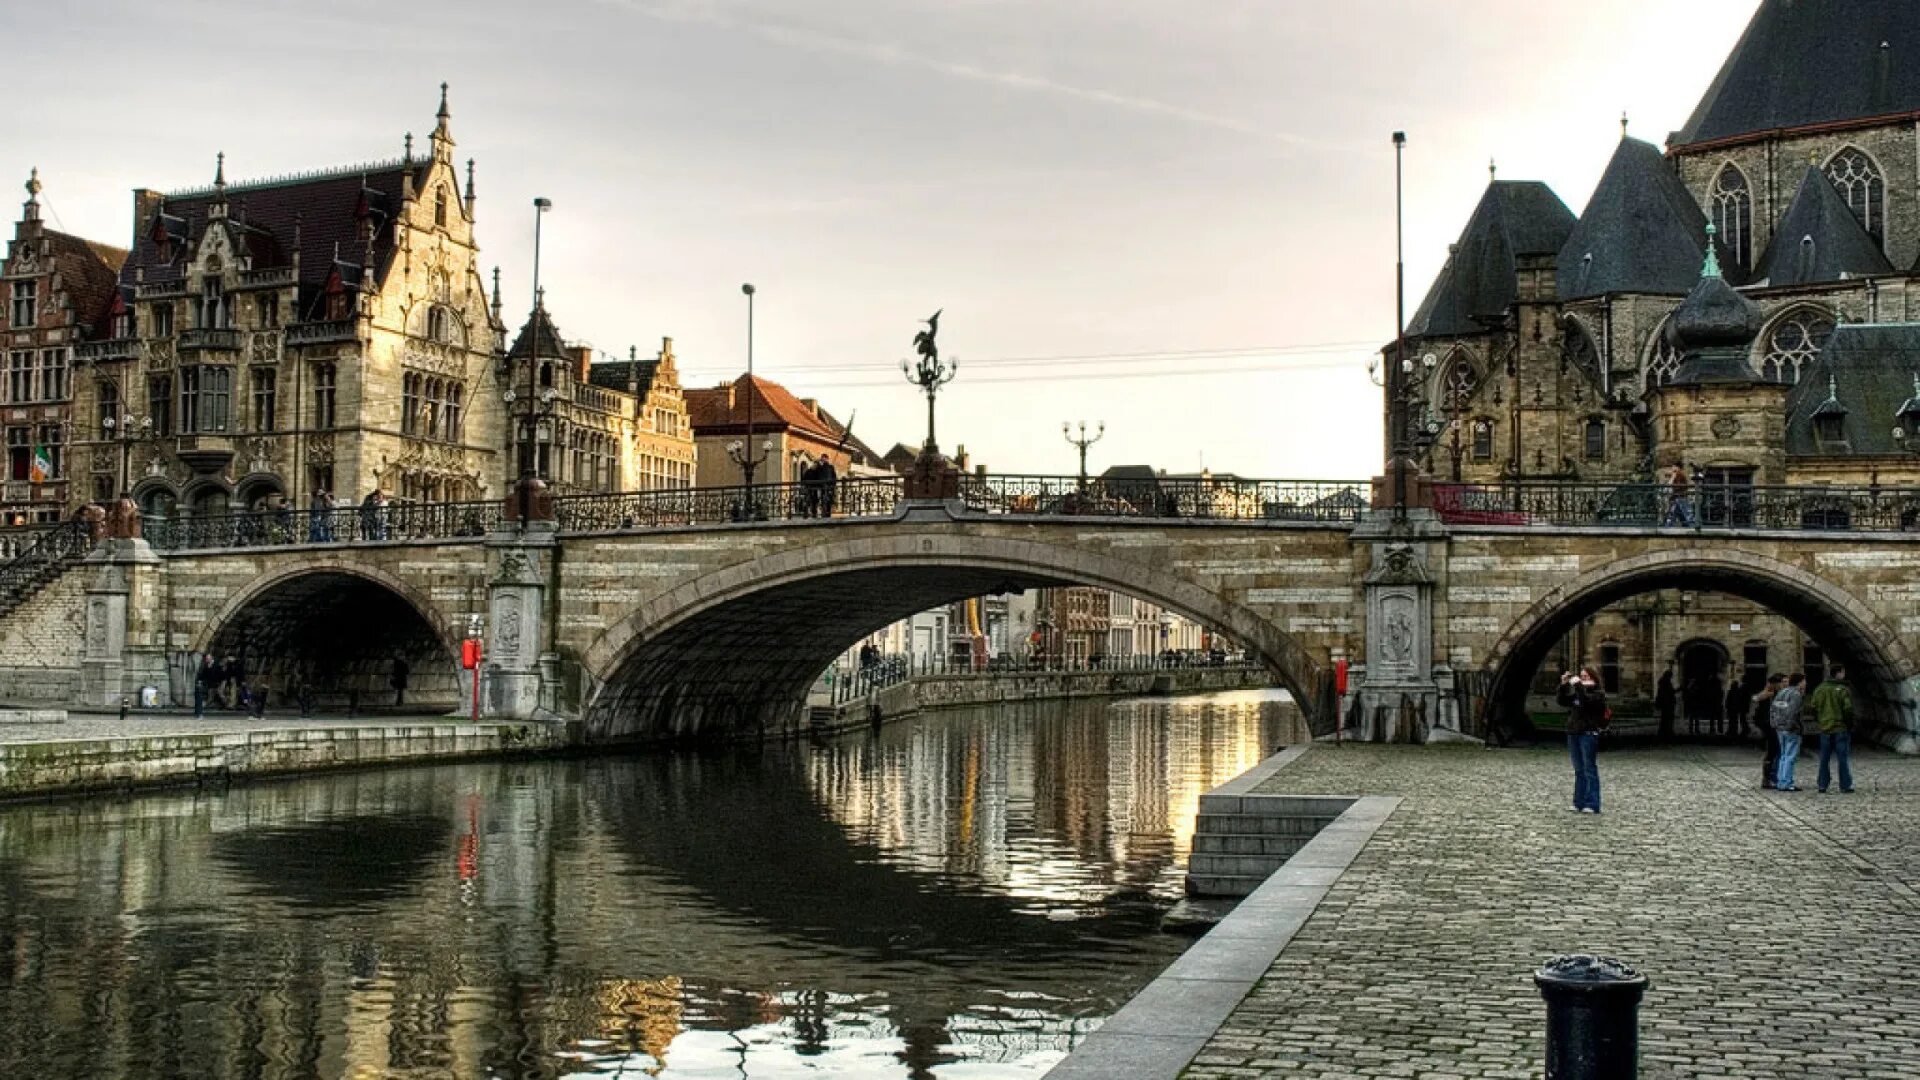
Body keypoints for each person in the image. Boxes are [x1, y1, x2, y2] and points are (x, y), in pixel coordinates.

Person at [1557, 667, 1608, 814]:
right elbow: (1562, 701)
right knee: (1579, 770)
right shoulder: (1577, 694)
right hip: (1574, 733)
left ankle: (1593, 803)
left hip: (1588, 734)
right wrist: (1564, 685)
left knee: (1589, 769)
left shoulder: (1598, 695)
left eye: (1585, 676)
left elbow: (1586, 701)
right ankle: (1578, 802)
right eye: (1581, 676)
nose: (1582, 679)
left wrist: (1578, 686)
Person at [1808, 664, 1855, 794]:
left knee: (1824, 758)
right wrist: (1849, 724)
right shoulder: (1843, 689)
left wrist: (1820, 721)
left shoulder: (1819, 689)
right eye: (1843, 672)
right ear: (1839, 673)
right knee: (1842, 758)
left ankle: (1822, 784)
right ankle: (1845, 785)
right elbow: (1848, 709)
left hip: (1825, 728)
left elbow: (1813, 707)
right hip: (1840, 728)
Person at [1770, 673, 1806, 792]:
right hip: (1790, 729)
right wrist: (1792, 726)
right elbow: (1792, 712)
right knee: (1790, 756)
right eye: (1804, 681)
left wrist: (1775, 724)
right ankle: (1786, 782)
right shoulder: (1796, 694)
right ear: (1799, 682)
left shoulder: (1782, 692)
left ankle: (1781, 781)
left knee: (1784, 755)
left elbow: (1774, 709)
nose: (1805, 683)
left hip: (1780, 728)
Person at [1753, 674, 1784, 788]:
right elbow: (1755, 699)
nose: (1782, 686)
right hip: (1768, 726)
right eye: (1780, 683)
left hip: (1770, 725)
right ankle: (1766, 779)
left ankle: (1769, 778)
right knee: (1771, 752)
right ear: (1775, 683)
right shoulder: (1769, 693)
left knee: (1772, 752)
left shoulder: (1774, 693)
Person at [1654, 668, 1677, 741]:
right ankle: (1667, 732)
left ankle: (1663, 732)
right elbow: (1670, 692)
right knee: (1668, 718)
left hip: (1665, 703)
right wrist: (1679, 689)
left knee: (1665, 718)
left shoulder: (1662, 682)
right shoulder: (1666, 683)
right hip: (1667, 703)